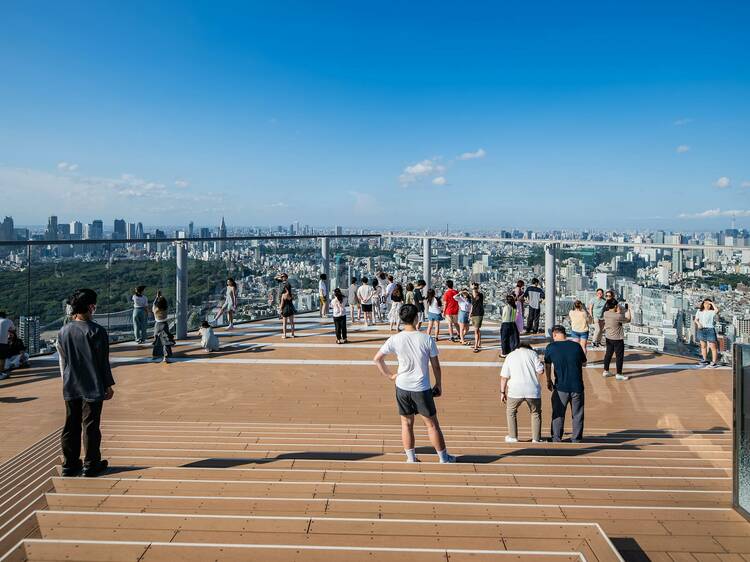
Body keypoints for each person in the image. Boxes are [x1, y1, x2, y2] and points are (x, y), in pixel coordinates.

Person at [373, 304, 456, 464]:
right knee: (432, 425)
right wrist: (438, 384)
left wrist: (391, 376)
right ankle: (443, 458)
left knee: (406, 423)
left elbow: (377, 359)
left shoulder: (395, 339)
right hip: (421, 387)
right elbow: (436, 365)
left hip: (402, 386)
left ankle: (411, 458)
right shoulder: (426, 338)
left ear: (401, 319)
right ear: (417, 317)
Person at [56, 289, 114, 478]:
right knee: (90, 426)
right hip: (93, 385)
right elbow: (102, 362)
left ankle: (69, 464)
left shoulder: (63, 331)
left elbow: (63, 361)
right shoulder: (97, 331)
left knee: (70, 425)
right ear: (91, 307)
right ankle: (91, 464)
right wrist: (108, 385)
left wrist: (65, 382)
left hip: (71, 385)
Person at [544, 325, 587, 443]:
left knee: (558, 413)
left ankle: (556, 438)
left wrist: (548, 380)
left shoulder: (551, 347)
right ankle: (576, 439)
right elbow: (584, 363)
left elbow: (547, 365)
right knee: (577, 414)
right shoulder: (576, 346)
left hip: (560, 387)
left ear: (554, 334)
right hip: (577, 386)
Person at [500, 344, 544, 443]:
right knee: (535, 413)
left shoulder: (510, 355)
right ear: (528, 348)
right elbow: (540, 371)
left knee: (511, 412)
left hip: (515, 389)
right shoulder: (533, 354)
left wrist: (502, 392)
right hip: (532, 389)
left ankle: (513, 437)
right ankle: (536, 439)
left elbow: (504, 376)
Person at [602, 299, 632, 380]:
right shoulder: (618, 316)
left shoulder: (606, 313)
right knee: (619, 356)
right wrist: (628, 309)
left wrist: (618, 311)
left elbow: (614, 316)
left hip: (608, 337)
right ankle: (619, 374)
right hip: (617, 339)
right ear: (615, 306)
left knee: (608, 354)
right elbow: (628, 319)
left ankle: (606, 371)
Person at [695, 298, 720, 368]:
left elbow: (717, 310)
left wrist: (712, 303)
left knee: (713, 346)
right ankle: (704, 360)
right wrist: (698, 324)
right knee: (703, 346)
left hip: (710, 329)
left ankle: (714, 362)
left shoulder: (712, 312)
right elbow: (696, 320)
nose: (707, 305)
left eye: (709, 304)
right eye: (705, 303)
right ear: (703, 304)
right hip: (701, 329)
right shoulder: (699, 311)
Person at [469, 284, 485, 353]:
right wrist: (470, 312)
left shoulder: (480, 295)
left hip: (479, 313)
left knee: (476, 330)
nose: (474, 288)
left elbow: (475, 296)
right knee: (477, 329)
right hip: (474, 313)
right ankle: (479, 343)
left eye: (475, 287)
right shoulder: (472, 295)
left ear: (477, 288)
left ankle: (476, 346)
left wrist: (473, 288)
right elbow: (473, 304)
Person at [0, 311, 15, 380]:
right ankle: (1, 373)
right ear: (5, 316)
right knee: (2, 358)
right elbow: (12, 329)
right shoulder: (8, 321)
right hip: (3, 342)